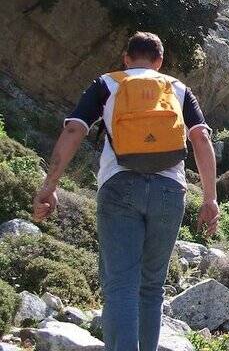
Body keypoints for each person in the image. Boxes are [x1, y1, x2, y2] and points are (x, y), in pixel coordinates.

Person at [31, 31, 219, 351]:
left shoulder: (107, 84)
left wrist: (50, 186)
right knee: (151, 287)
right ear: (159, 61)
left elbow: (74, 129)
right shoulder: (178, 88)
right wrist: (210, 198)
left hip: (119, 185)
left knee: (121, 285)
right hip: (169, 191)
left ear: (126, 58)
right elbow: (201, 138)